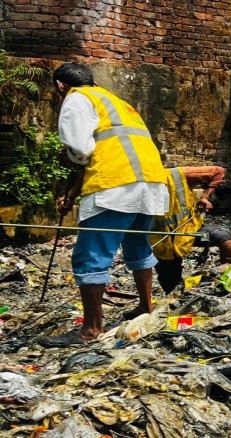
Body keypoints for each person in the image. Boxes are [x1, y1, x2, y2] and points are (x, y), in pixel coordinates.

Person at [41, 63, 170, 347]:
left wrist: (70, 157)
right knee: (137, 247)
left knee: (90, 256)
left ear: (60, 85)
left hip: (115, 186)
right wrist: (73, 193)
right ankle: (146, 308)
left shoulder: (76, 98)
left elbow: (82, 150)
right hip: (150, 184)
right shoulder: (116, 101)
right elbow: (109, 151)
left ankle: (91, 329)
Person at [149, 166, 231, 295]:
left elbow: (218, 172)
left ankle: (230, 284)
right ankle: (178, 299)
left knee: (227, 243)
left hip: (191, 231)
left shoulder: (176, 176)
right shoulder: (132, 187)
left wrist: (205, 197)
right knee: (171, 285)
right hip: (163, 241)